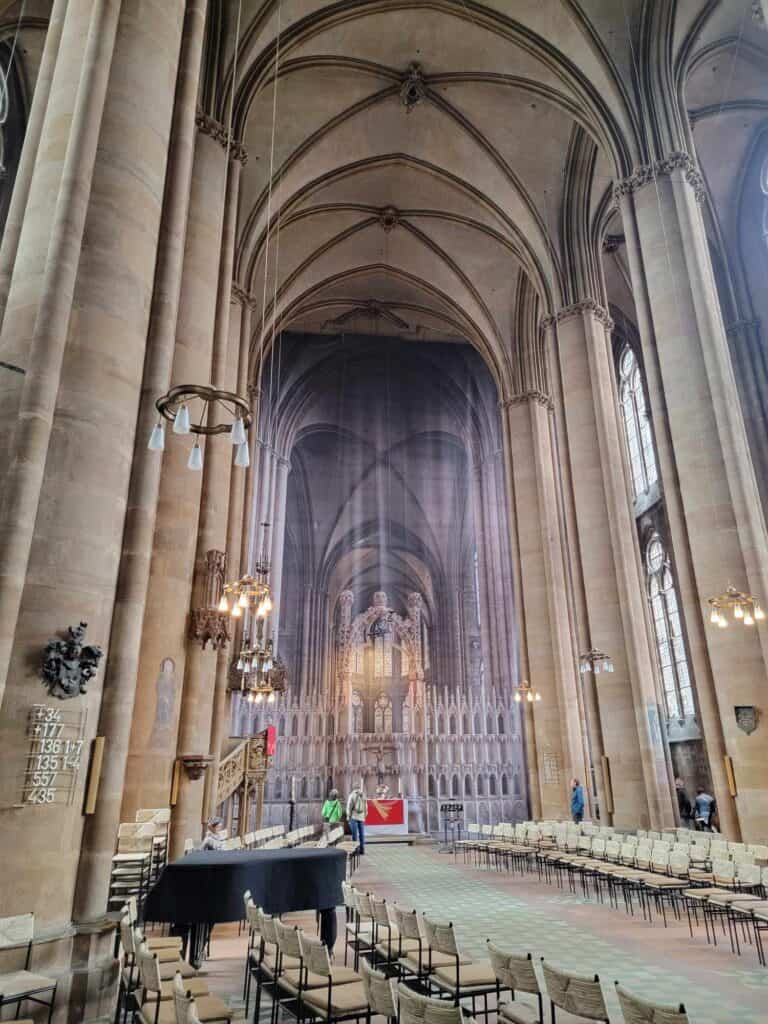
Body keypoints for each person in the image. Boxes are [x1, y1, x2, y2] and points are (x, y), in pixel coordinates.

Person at [347, 784, 368, 854]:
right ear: (359, 788)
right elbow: (366, 806)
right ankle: (362, 850)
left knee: (354, 834)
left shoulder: (352, 795)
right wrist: (365, 815)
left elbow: (349, 806)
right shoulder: (363, 795)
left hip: (354, 816)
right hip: (361, 817)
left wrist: (348, 816)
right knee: (361, 834)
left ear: (354, 788)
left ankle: (355, 850)